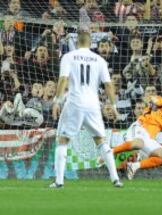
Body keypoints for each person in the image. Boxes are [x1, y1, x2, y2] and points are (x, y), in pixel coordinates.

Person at [50, 28, 122, 188]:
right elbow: (109, 85)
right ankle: (115, 179)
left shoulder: (68, 56)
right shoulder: (99, 60)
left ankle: (59, 181)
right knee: (101, 141)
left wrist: (57, 101)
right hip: (93, 105)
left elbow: (63, 80)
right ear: (90, 43)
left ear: (76, 42)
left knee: (63, 140)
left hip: (74, 102)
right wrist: (114, 106)